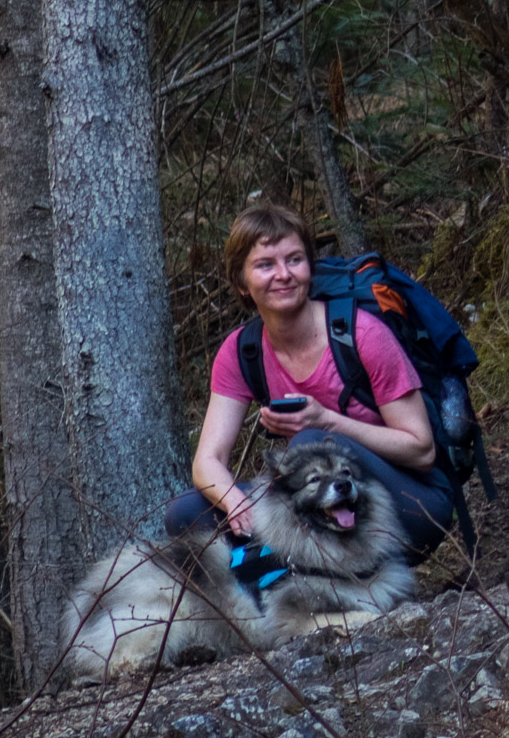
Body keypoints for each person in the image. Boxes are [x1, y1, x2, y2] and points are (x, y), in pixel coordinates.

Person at [165, 203, 456, 562]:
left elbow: (422, 451)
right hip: (323, 506)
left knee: (311, 442)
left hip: (413, 504)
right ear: (242, 281)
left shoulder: (361, 333)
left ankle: (325, 581)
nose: (283, 274)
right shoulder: (242, 351)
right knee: (185, 513)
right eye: (265, 265)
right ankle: (272, 591)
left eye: (295, 260)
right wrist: (237, 505)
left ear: (310, 268)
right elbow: (208, 461)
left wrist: (327, 422)